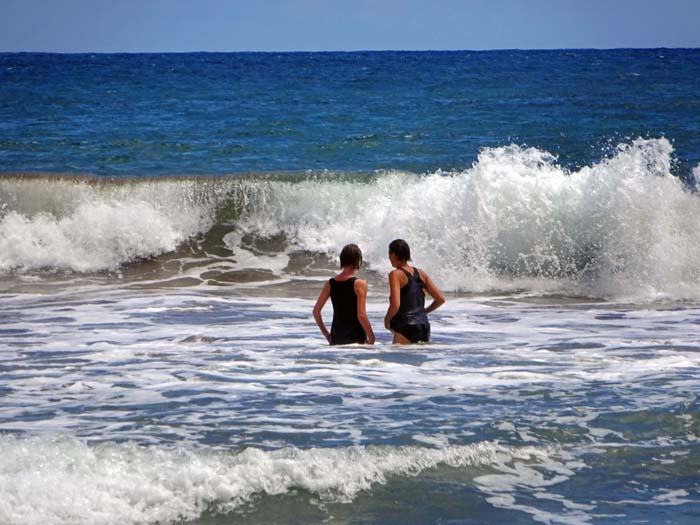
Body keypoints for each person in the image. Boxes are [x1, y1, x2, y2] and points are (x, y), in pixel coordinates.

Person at [384, 239, 445, 344]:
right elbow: (440, 299)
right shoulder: (421, 273)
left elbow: (395, 304)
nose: (389, 258)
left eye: (389, 255)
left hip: (405, 326)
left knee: (397, 359)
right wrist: (424, 311)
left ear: (393, 255)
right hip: (424, 326)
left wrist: (387, 320)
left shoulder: (395, 274)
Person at [313, 244, 375, 345]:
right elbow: (361, 315)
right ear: (357, 261)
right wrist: (371, 337)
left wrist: (327, 334)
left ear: (342, 260)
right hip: (356, 340)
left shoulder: (330, 283)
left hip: (336, 340)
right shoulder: (359, 284)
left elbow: (316, 311)